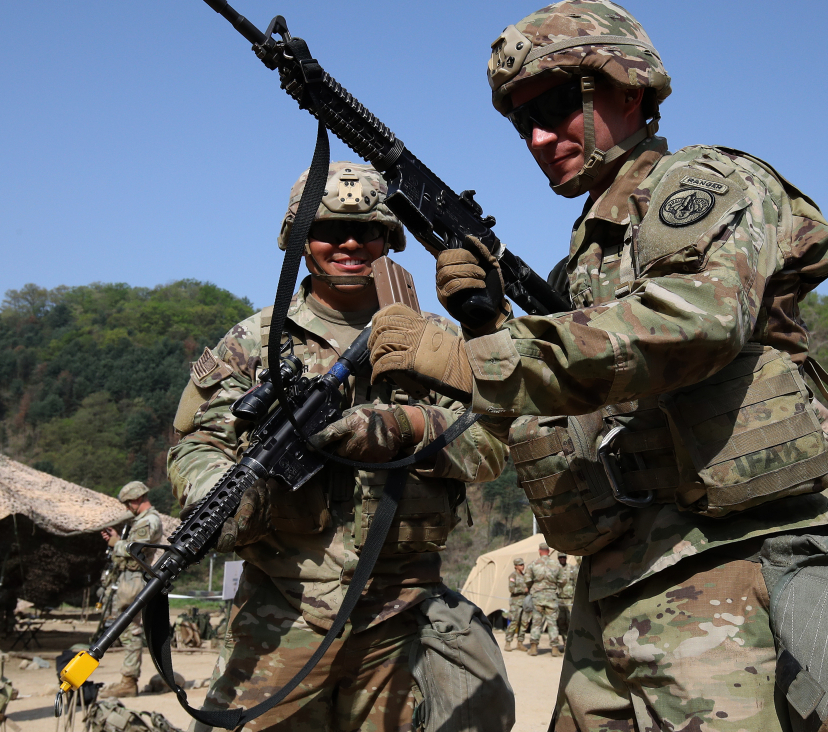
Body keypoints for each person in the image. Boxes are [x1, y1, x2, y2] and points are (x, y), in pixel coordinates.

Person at [368, 0, 828, 730]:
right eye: (519, 121)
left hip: (726, 570)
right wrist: (486, 321)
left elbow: (699, 320)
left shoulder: (707, 183)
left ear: (628, 90)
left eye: (559, 104)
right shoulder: (586, 261)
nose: (537, 136)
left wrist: (482, 354)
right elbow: (558, 406)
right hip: (615, 580)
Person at [168, 162, 513, 732]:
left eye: (367, 231)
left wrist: (404, 428)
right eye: (328, 230)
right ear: (301, 242)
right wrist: (219, 494)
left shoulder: (435, 342)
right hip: (284, 612)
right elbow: (199, 442)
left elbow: (490, 448)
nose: (349, 243)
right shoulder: (255, 342)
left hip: (403, 614)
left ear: (389, 239)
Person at [98, 480, 163, 698]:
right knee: (130, 628)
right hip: (131, 578)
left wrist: (115, 543)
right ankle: (130, 678)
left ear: (137, 499)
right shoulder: (143, 521)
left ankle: (128, 681)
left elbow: (135, 549)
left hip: (135, 579)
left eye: (128, 503)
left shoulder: (149, 521)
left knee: (129, 629)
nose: (128, 508)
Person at [525, 544, 563, 657]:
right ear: (549, 551)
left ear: (539, 551)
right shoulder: (556, 565)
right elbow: (563, 580)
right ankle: (555, 649)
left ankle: (533, 648)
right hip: (551, 595)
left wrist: (535, 586)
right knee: (552, 622)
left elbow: (527, 579)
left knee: (536, 622)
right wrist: (554, 585)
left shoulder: (533, 564)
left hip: (537, 596)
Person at [504, 556, 530, 652]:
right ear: (516, 566)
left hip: (525, 603)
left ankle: (520, 643)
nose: (522, 566)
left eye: (523, 564)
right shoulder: (513, 576)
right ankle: (508, 642)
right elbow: (511, 589)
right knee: (514, 622)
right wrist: (523, 590)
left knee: (524, 623)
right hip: (516, 603)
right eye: (520, 565)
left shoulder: (524, 576)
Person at [556, 554, 579, 640]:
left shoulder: (572, 569)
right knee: (561, 622)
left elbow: (576, 584)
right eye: (560, 557)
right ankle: (565, 641)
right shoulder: (555, 569)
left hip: (570, 600)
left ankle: (571, 642)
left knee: (570, 622)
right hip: (559, 600)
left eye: (564, 557)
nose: (562, 559)